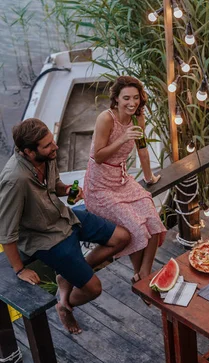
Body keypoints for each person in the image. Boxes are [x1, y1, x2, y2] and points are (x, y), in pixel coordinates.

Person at [0, 118, 131, 334]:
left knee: (122, 237)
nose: (56, 147)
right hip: (47, 238)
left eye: (52, 141)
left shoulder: (47, 157)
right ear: (28, 152)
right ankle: (64, 305)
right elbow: (6, 232)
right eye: (48, 145)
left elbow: (54, 187)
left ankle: (68, 276)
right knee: (93, 289)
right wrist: (20, 269)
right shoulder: (16, 180)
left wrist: (67, 190)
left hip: (65, 217)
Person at [84, 76, 166, 286]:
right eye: (126, 98)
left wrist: (149, 177)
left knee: (153, 220)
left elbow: (142, 150)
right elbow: (98, 157)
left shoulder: (138, 118)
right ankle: (142, 279)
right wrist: (122, 138)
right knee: (137, 230)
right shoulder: (106, 118)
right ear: (117, 99)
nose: (132, 103)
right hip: (100, 186)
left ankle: (144, 274)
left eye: (136, 98)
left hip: (122, 181)